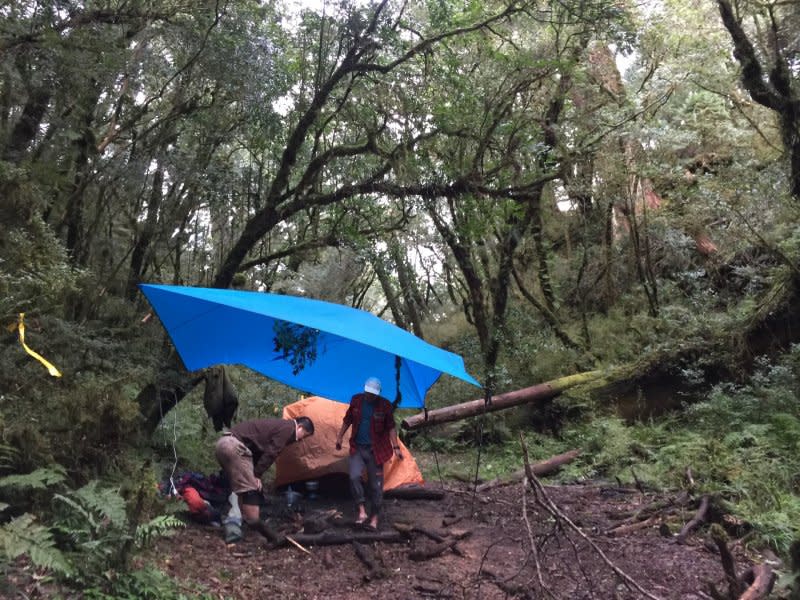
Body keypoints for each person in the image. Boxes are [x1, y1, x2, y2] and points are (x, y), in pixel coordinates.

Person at [215, 416, 314, 542]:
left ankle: (235, 521)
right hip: (234, 446)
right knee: (252, 489)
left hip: (223, 444)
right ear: (299, 427)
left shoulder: (278, 426)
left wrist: (254, 472)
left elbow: (257, 451)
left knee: (238, 488)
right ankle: (257, 531)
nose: (301, 440)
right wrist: (257, 475)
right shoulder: (288, 428)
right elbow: (272, 452)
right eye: (304, 435)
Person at [335, 377, 402, 530]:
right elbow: (348, 420)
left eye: (373, 394)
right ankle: (362, 511)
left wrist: (396, 447)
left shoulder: (385, 405)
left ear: (378, 393)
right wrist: (339, 437)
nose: (370, 396)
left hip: (376, 450)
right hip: (357, 448)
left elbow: (391, 427)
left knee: (376, 485)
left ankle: (375, 518)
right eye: (368, 392)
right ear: (364, 389)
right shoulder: (356, 400)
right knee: (353, 477)